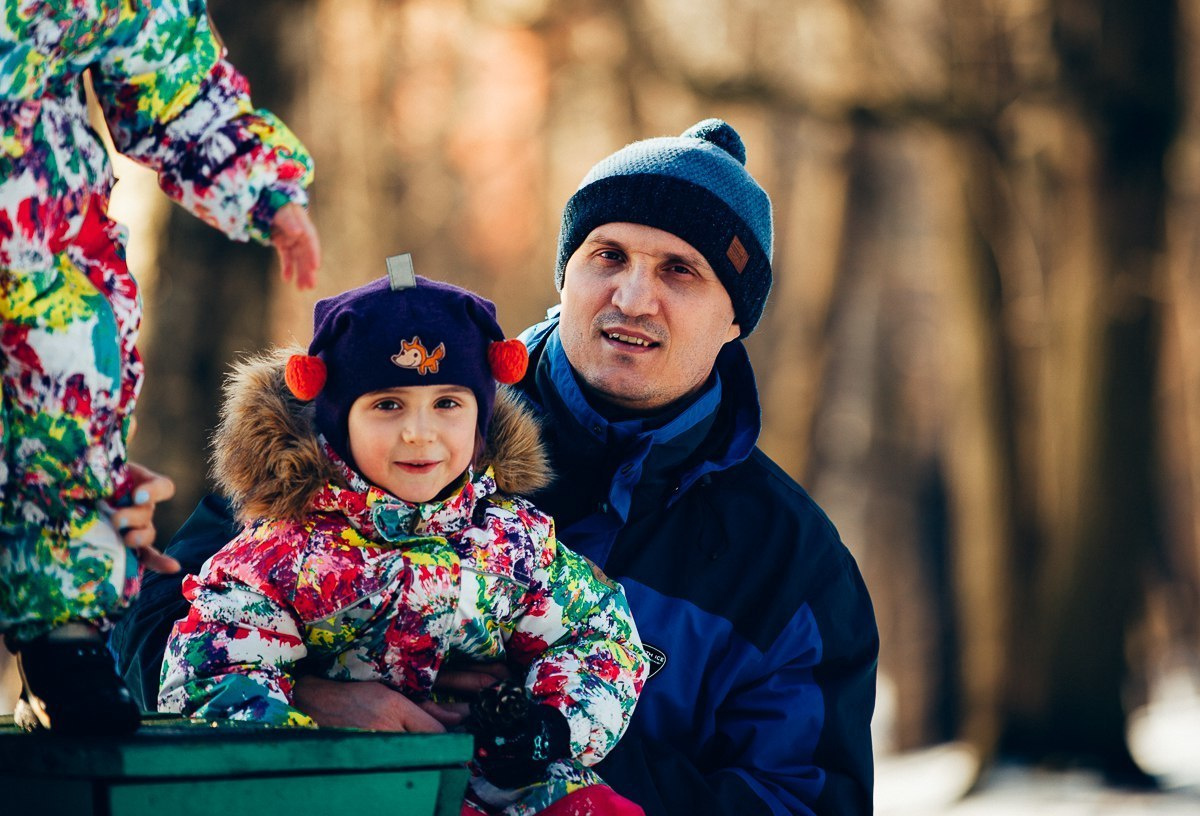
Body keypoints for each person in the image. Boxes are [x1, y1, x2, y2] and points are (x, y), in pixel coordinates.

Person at [115, 119, 878, 815]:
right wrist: (309, 702)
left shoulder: (791, 563)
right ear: (566, 274)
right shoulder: (385, 419)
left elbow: (809, 803)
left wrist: (545, 743)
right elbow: (151, 636)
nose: (633, 296)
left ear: (736, 317)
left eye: (681, 271)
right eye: (607, 256)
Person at [156, 272, 647, 816]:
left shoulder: (514, 541)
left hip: (502, 782)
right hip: (346, 782)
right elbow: (211, 673)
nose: (419, 432)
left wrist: (547, 725)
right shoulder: (285, 552)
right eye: (388, 405)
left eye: (447, 404)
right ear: (338, 424)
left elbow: (598, 635)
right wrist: (300, 740)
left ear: (481, 420)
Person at [0, 0, 321, 735]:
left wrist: (257, 180)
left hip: (46, 257)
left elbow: (168, 72)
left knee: (65, 447)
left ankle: (65, 646)